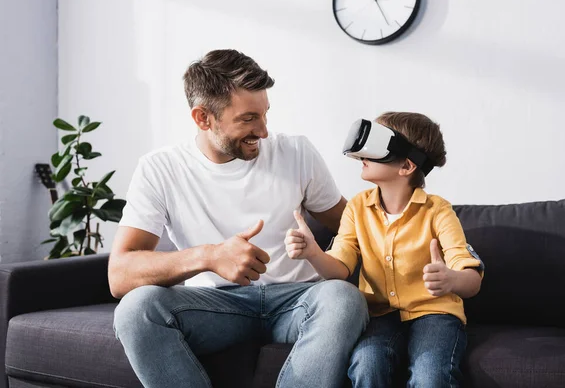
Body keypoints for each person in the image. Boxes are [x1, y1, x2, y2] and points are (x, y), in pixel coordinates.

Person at [109, 49, 368, 388]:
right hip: (214, 306)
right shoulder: (160, 168)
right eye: (248, 119)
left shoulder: (296, 152)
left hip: (298, 298)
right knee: (135, 310)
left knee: (343, 298)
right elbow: (120, 274)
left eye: (264, 115)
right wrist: (209, 256)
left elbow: (353, 227)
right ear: (203, 118)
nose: (263, 131)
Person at [285, 112, 484, 387]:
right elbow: (340, 268)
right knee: (367, 365)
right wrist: (313, 253)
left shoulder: (438, 211)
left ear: (406, 166)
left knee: (431, 376)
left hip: (434, 314)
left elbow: (470, 276)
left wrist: (451, 278)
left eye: (376, 144)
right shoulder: (356, 208)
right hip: (379, 315)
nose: (362, 154)